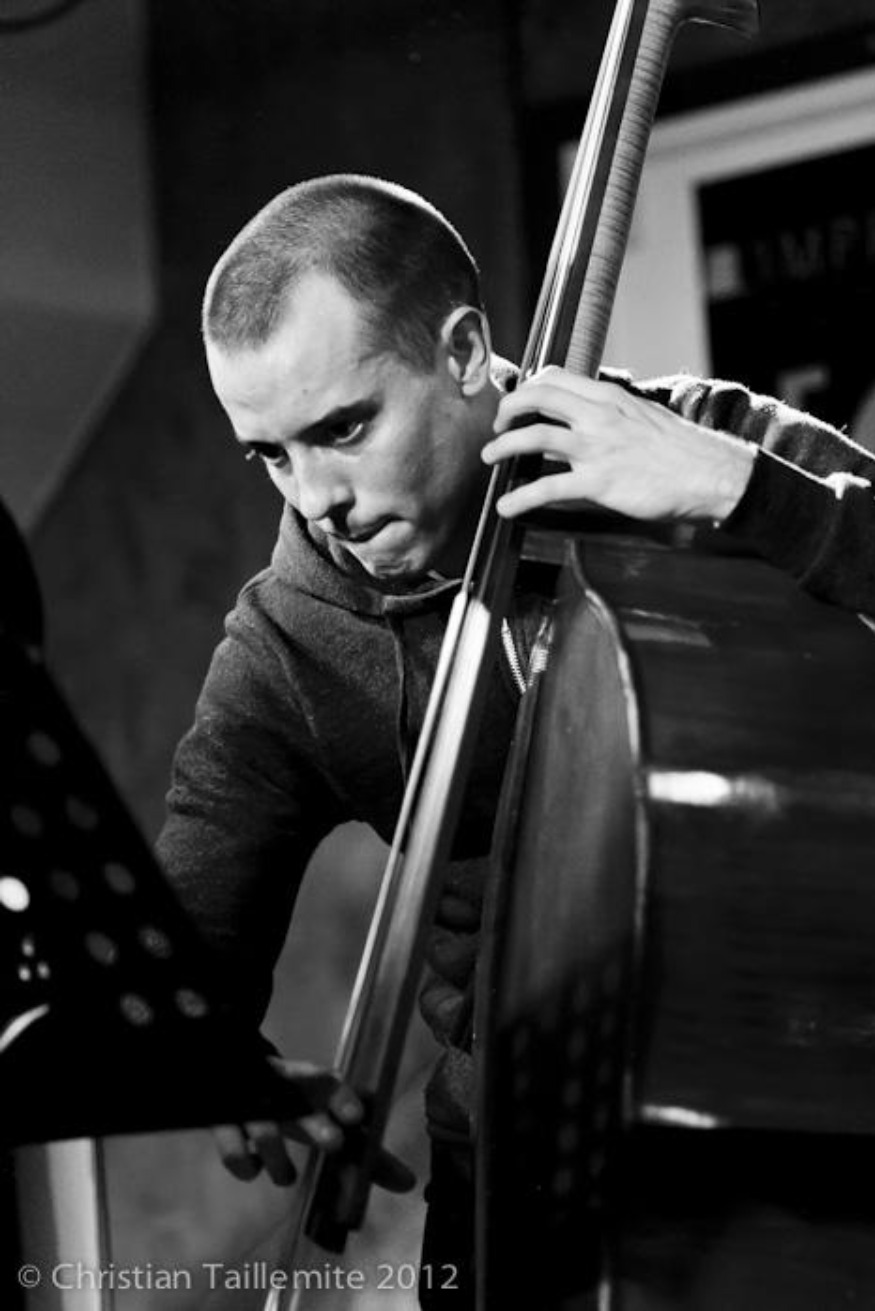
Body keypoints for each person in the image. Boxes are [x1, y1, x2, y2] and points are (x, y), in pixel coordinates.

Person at [156, 173, 875, 1304]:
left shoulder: (697, 444)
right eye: (273, 454)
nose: (316, 498)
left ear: (461, 352)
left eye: (343, 428)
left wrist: (741, 490)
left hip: (809, 1093)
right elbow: (182, 956)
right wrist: (211, 1064)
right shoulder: (288, 647)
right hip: (512, 1173)